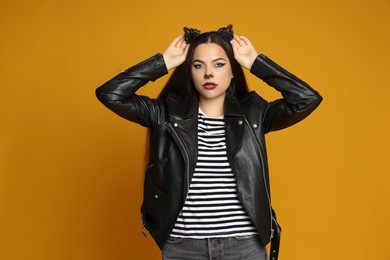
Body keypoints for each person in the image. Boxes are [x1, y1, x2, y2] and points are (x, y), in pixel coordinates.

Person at [96, 25, 322, 260]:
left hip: (244, 246)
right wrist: (162, 62)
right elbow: (110, 94)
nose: (208, 74)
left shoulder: (254, 114)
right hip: (183, 246)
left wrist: (256, 62)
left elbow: (306, 99)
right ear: (189, 71)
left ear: (233, 70)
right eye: (198, 65)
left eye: (219, 64)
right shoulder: (165, 115)